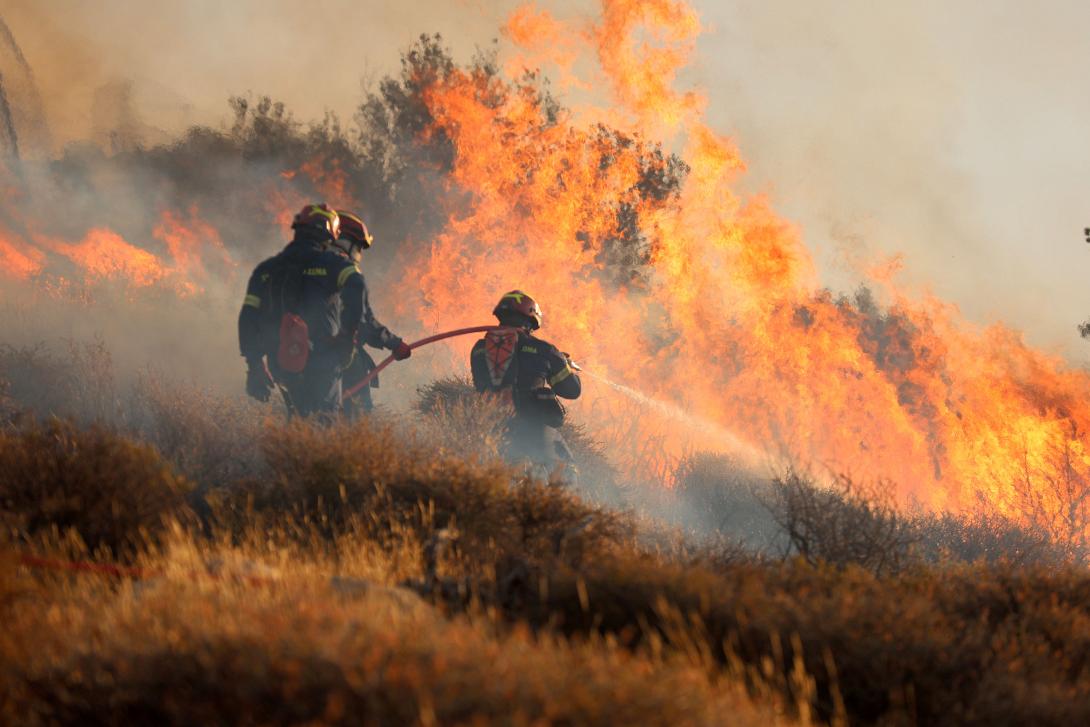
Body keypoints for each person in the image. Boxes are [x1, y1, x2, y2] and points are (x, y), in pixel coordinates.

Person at [237, 203, 364, 419]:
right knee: (323, 421)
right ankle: (312, 451)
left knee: (297, 417)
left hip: (283, 360)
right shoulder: (334, 265)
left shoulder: (267, 269)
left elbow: (248, 318)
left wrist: (255, 364)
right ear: (328, 234)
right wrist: (346, 341)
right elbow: (357, 291)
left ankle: (294, 450)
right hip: (324, 360)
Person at [470, 290, 581, 482]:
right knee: (565, 473)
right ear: (531, 319)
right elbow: (571, 390)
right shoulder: (545, 350)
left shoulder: (479, 348)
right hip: (534, 429)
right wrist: (564, 365)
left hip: (490, 428)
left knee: (501, 480)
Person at [329, 210, 411, 417]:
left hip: (296, 356)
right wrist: (394, 343)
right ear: (343, 241)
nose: (358, 253)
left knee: (309, 417)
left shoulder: (304, 267)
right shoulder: (344, 271)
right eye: (357, 246)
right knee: (357, 415)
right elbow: (363, 321)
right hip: (340, 354)